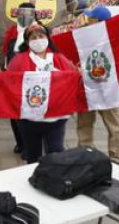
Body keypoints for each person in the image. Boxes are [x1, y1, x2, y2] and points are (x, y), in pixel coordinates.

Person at [6, 22, 75, 163]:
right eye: (33, 37)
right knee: (32, 156)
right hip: (29, 120)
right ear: (27, 41)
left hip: (56, 118)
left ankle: (54, 181)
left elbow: (71, 81)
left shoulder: (60, 59)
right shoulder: (18, 61)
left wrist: (78, 74)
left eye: (41, 36)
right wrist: (0, 78)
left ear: (48, 38)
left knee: (56, 153)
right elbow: (10, 83)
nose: (38, 40)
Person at [72, 6, 119, 164]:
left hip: (107, 88)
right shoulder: (84, 33)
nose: (88, 20)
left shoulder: (115, 36)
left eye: (91, 18)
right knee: (85, 122)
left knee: (112, 125)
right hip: (88, 86)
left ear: (97, 21)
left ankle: (115, 156)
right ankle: (85, 150)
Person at [0, 1, 40, 154]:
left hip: (32, 77)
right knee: (14, 112)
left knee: (29, 112)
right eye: (21, 13)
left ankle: (30, 145)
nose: (24, 16)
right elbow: (6, 52)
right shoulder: (12, 31)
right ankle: (20, 142)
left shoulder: (40, 31)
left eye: (28, 13)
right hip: (13, 76)